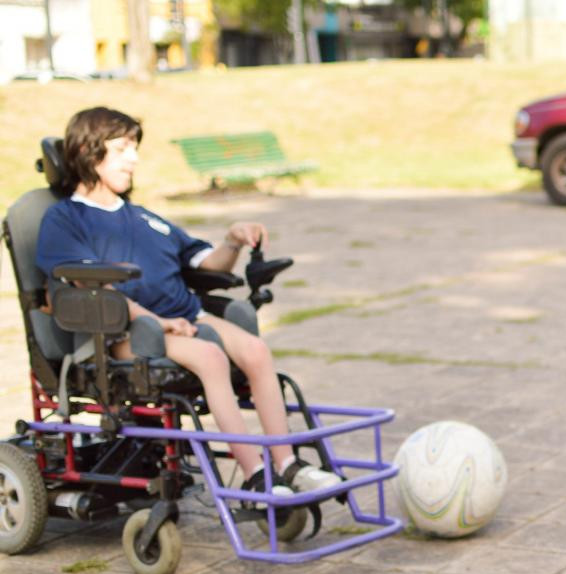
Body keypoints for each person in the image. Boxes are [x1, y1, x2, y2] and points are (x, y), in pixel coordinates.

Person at [36, 106, 341, 496]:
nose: (135, 158)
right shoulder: (66, 219)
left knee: (256, 351)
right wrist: (156, 321)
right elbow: (88, 284)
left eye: (135, 149)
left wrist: (232, 241)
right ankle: (255, 476)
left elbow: (206, 261)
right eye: (123, 149)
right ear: (88, 151)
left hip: (184, 317)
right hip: (123, 332)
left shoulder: (145, 218)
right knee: (211, 357)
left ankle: (287, 463)